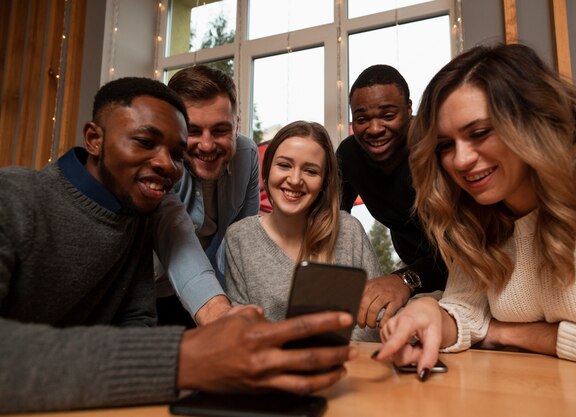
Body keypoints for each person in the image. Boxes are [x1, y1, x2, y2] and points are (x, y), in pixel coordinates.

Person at [0, 78, 356, 413]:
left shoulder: (139, 212)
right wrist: (183, 358)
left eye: (175, 152)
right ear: (94, 138)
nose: (165, 164)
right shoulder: (12, 199)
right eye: (144, 142)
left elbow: (137, 321)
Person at [376, 43, 576, 379]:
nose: (461, 160)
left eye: (479, 133)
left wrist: (503, 333)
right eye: (445, 145)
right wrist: (428, 311)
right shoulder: (476, 212)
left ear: (530, 120)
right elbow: (465, 313)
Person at [224, 121, 380, 341]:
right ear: (267, 169)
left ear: (324, 181)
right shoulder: (239, 237)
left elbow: (375, 316)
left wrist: (328, 355)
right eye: (284, 165)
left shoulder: (348, 230)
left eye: (310, 171)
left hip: (346, 367)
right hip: (271, 370)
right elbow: (241, 327)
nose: (295, 180)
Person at [336, 64, 447, 328]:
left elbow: (465, 244)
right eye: (362, 119)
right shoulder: (350, 155)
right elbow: (333, 220)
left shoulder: (437, 146)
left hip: (464, 267)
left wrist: (404, 280)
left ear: (409, 109)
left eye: (387, 115)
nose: (374, 129)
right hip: (414, 269)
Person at [153, 65, 260, 327]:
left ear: (237, 123)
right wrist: (216, 311)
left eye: (220, 130)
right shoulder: (159, 165)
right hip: (138, 290)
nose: (207, 145)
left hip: (199, 294)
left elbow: (244, 241)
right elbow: (175, 237)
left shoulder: (247, 156)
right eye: (193, 131)